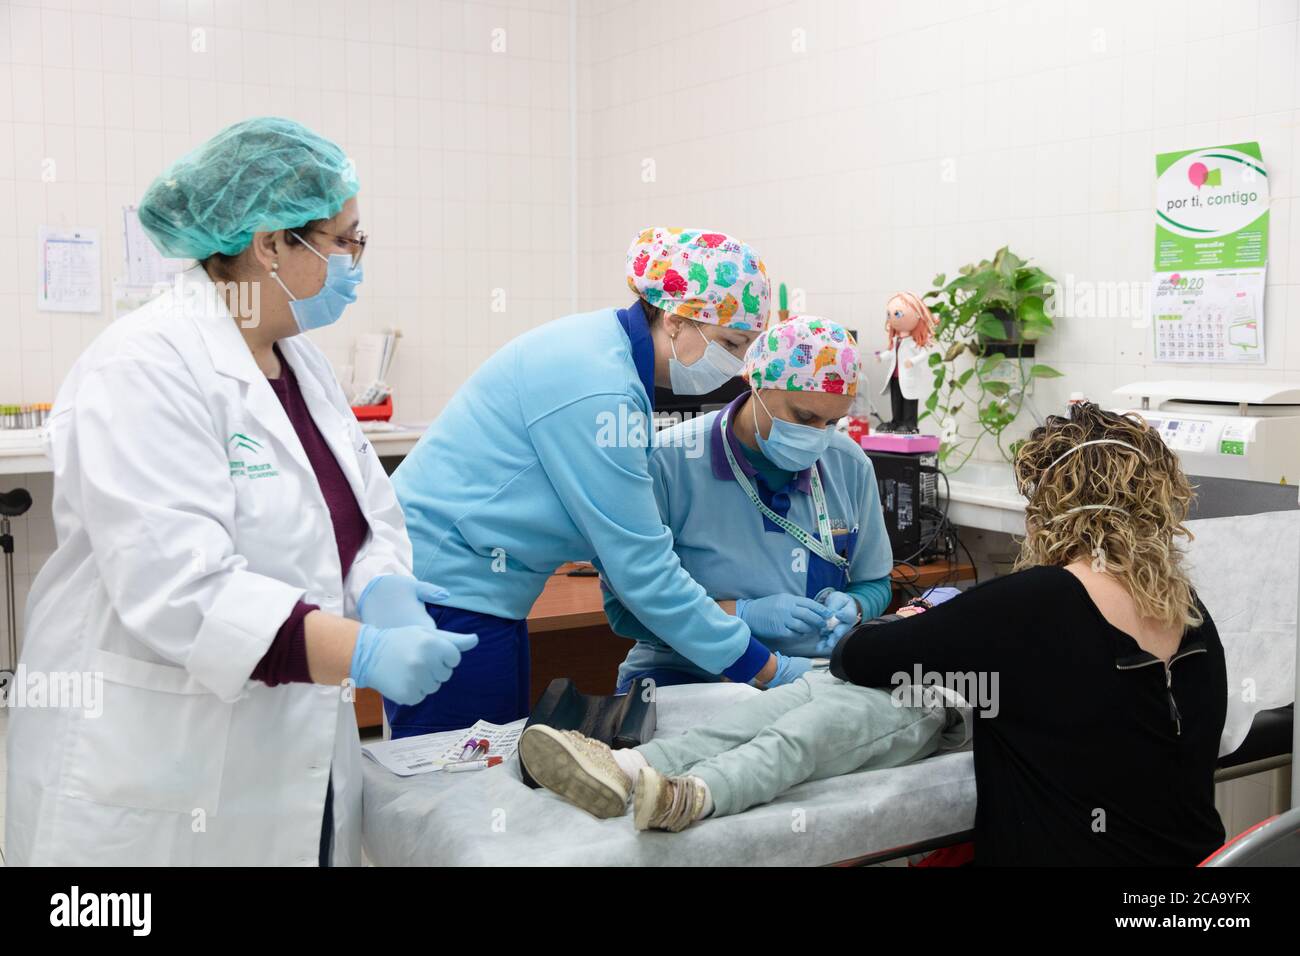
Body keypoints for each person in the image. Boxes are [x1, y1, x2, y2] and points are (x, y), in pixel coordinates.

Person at [5, 118, 472, 866]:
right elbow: (182, 588)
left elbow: (362, 518)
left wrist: (385, 588)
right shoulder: (145, 364)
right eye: (345, 239)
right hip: (158, 760)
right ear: (270, 244)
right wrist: (365, 650)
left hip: (291, 746)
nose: (357, 260)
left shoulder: (299, 364)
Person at [387, 227, 791, 737]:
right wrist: (765, 668)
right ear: (676, 319)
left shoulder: (609, 355)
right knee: (454, 780)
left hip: (488, 593)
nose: (735, 367)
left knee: (490, 761)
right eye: (731, 344)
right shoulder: (599, 385)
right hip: (448, 593)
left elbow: (622, 543)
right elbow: (641, 569)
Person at [832, 402, 1227, 865]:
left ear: (1047, 510)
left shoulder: (1031, 603)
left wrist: (903, 620)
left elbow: (856, 656)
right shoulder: (1191, 609)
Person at [604, 316, 894, 692]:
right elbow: (624, 610)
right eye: (803, 416)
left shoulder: (847, 464)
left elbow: (875, 582)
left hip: (813, 675)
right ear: (755, 382)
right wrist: (740, 614)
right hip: (689, 673)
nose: (816, 436)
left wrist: (854, 608)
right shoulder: (670, 461)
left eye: (832, 421)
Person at [518, 595, 967, 832]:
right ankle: (625, 767)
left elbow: (993, 679)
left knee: (797, 739)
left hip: (920, 693)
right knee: (735, 725)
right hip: (847, 670)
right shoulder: (978, 596)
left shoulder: (1015, 610)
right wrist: (884, 615)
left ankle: (692, 797)